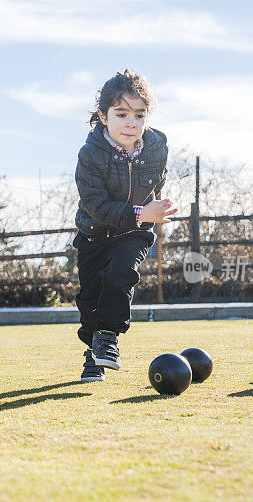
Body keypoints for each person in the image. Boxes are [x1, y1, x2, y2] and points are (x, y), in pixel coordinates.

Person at [73, 69, 177, 382]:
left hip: (134, 234)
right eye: (121, 114)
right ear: (103, 117)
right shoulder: (90, 155)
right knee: (90, 299)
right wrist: (141, 212)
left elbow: (156, 185)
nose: (131, 123)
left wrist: (153, 211)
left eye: (139, 115)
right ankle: (93, 353)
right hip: (94, 234)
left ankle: (109, 337)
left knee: (121, 274)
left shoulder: (158, 148)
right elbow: (97, 206)